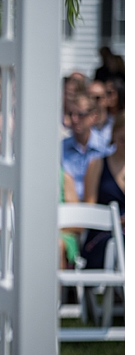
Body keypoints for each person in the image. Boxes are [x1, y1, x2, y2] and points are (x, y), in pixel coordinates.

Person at [82, 112, 125, 269]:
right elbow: (89, 209)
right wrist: (117, 221)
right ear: (114, 135)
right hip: (103, 233)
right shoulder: (97, 165)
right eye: (123, 139)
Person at [62, 92, 108, 201]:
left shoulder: (107, 149)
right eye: (71, 114)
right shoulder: (59, 149)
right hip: (66, 210)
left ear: (94, 116)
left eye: (80, 114)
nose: (74, 119)